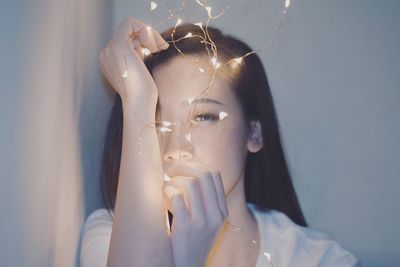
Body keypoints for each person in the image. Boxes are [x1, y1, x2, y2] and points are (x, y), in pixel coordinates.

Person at [80, 17, 360, 267]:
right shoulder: (113, 236)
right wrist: (135, 98)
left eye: (203, 117)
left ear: (254, 135)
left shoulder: (319, 260)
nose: (176, 148)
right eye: (154, 120)